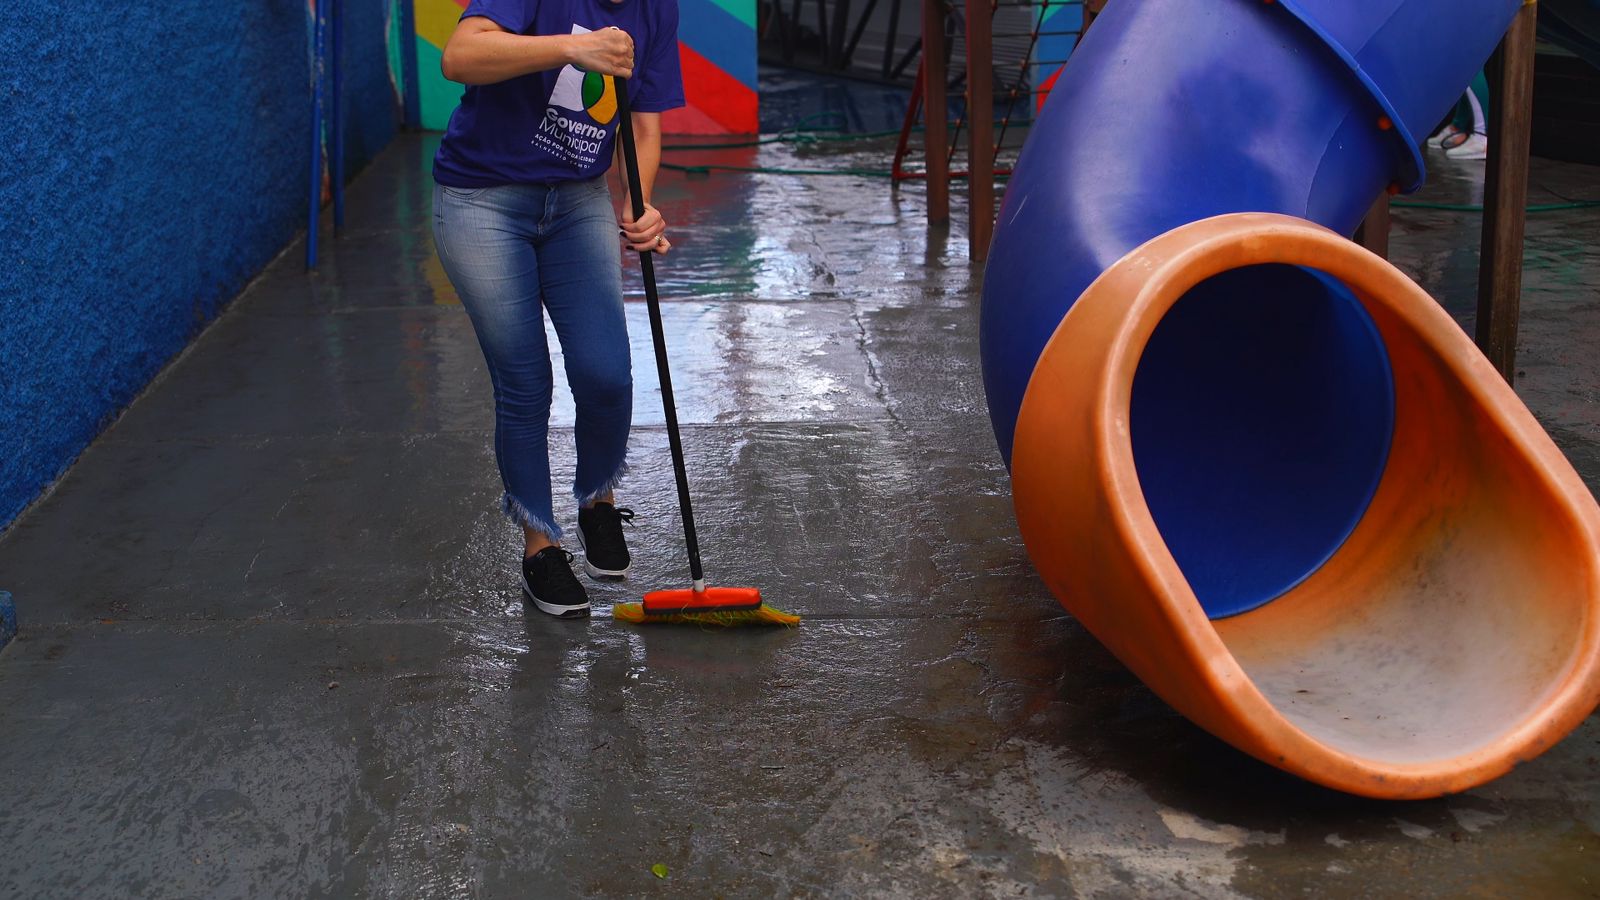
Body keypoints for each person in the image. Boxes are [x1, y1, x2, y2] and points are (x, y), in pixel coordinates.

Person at [431, 0, 684, 618]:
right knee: (524, 382)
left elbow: (642, 128)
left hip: (577, 199)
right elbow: (459, 57)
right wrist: (572, 47)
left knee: (606, 374)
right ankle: (540, 547)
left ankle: (598, 499)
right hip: (481, 199)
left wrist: (640, 207)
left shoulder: (656, 8)